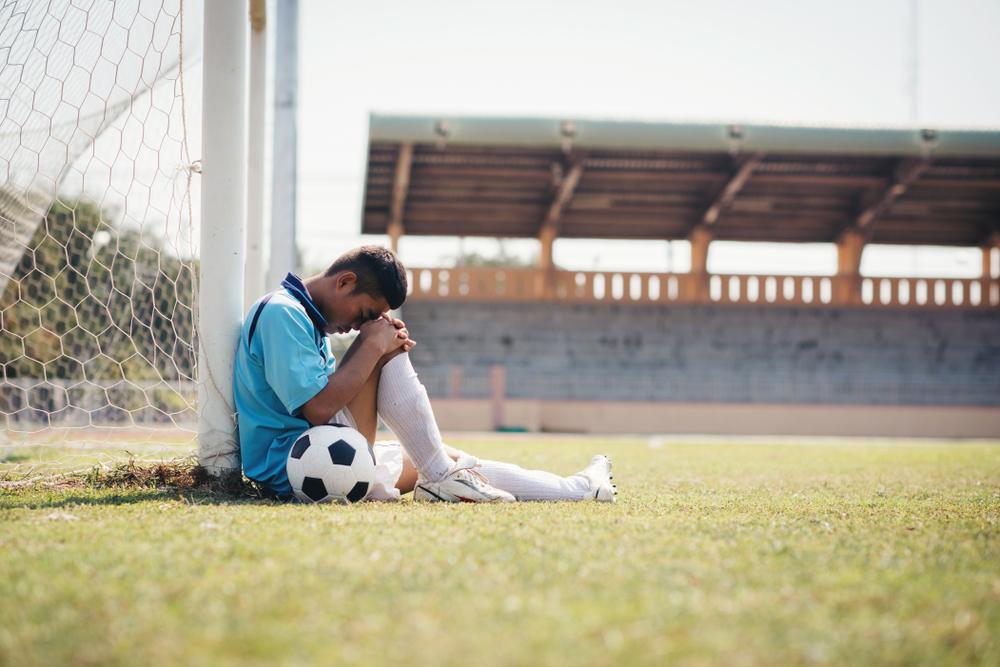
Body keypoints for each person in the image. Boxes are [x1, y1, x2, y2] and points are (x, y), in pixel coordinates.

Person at [233, 245, 616, 503]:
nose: (355, 326)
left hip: (319, 456)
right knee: (385, 343)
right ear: (345, 281)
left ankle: (579, 489)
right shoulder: (283, 313)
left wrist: (375, 340)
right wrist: (373, 345)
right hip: (294, 465)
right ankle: (439, 477)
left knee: (458, 461)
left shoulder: (302, 317)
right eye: (363, 313)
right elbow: (317, 410)